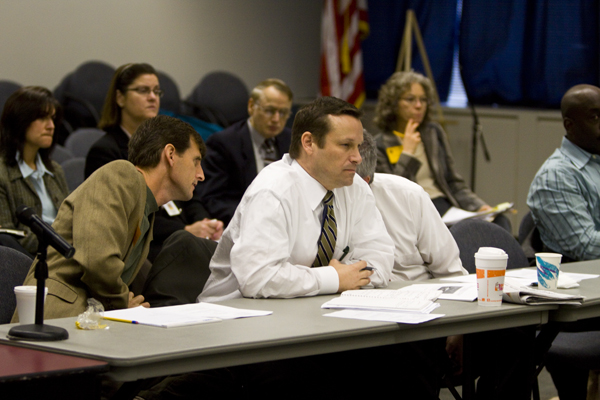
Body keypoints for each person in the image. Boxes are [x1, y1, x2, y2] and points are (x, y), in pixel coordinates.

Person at [199, 96, 394, 302]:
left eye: (358, 146)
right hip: (237, 314)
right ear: (308, 143)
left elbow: (380, 259)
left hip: (310, 305)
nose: (358, 157)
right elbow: (257, 278)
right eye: (346, 145)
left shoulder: (355, 187)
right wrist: (333, 278)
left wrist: (342, 277)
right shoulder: (273, 191)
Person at [15, 115, 206, 320]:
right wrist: (124, 303)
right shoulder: (121, 173)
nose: (201, 175)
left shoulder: (146, 208)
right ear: (170, 154)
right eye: (196, 162)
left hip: (87, 318)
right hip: (56, 317)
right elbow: (98, 260)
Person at [85, 63, 222, 260]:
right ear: (120, 98)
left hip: (181, 239)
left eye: (157, 91)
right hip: (144, 247)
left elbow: (191, 193)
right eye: (143, 91)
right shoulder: (105, 151)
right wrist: (185, 230)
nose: (152, 97)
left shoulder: (167, 144)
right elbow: (126, 216)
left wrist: (205, 222)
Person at [373, 71, 493, 217]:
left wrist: (478, 206)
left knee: (499, 221)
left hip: (443, 205)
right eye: (410, 99)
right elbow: (394, 194)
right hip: (413, 210)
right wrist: (407, 153)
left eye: (423, 100)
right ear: (393, 103)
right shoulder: (379, 145)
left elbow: (453, 181)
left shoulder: (433, 133)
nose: (418, 105)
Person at [356, 129, 466, 281]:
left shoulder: (408, 195)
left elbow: (451, 272)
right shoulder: (323, 203)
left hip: (418, 294)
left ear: (364, 182)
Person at [197, 78, 293, 225]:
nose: (276, 119)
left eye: (283, 113)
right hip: (243, 225)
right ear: (251, 106)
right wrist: (254, 219)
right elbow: (211, 198)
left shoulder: (292, 141)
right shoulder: (224, 143)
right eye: (269, 110)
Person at [528, 84, 600, 262]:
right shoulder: (556, 176)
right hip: (578, 281)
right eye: (595, 117)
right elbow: (587, 248)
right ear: (570, 126)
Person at [0, 86, 69, 257]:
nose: (51, 126)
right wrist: (59, 241)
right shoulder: (2, 174)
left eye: (53, 119)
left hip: (65, 255)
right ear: (20, 121)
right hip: (29, 262)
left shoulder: (55, 170)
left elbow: (70, 221)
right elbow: (6, 238)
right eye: (42, 118)